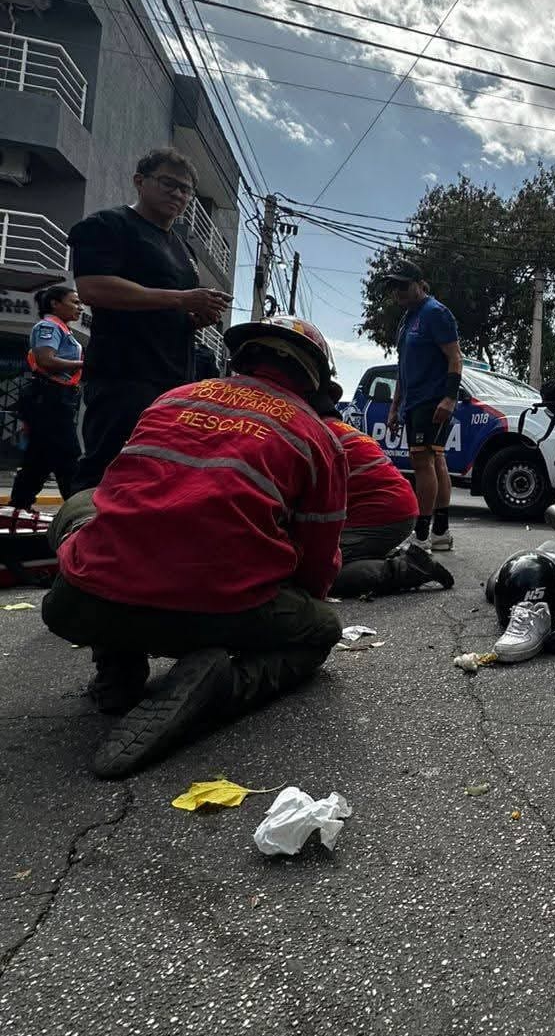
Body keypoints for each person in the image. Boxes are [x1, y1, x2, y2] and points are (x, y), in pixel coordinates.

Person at [41, 315, 348, 780]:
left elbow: (121, 495)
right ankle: (224, 685)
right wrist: (296, 601)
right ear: (314, 381)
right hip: (214, 613)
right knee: (321, 627)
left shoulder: (171, 399)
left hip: (76, 604)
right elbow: (318, 560)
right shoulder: (315, 436)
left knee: (85, 504)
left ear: (240, 359)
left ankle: (117, 672)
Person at [68, 148, 231, 492]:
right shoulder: (109, 225)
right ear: (140, 182)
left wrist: (196, 316)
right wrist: (181, 299)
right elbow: (92, 287)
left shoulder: (183, 250)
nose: (178, 194)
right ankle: (81, 541)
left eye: (185, 189)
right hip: (123, 377)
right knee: (108, 470)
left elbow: (174, 312)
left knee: (158, 478)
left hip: (172, 380)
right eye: (168, 183)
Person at [308, 383, 452, 597]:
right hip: (395, 510)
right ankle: (382, 555)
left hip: (383, 517)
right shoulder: (342, 429)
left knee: (313, 572)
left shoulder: (314, 434)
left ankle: (405, 569)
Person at [384, 261, 462, 552]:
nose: (398, 292)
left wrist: (450, 398)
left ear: (419, 283)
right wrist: (394, 406)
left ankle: (421, 535)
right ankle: (440, 533)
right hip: (413, 401)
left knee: (423, 462)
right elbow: (403, 368)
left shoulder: (435, 313)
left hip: (432, 400)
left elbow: (455, 357)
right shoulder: (407, 320)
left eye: (403, 285)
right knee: (435, 460)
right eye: (393, 287)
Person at [10, 284, 84, 510]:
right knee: (68, 454)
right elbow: (46, 360)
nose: (80, 308)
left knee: (40, 458)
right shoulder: (48, 326)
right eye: (74, 302)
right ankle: (78, 511)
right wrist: (85, 365)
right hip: (48, 398)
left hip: (55, 398)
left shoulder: (62, 329)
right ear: (55, 303)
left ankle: (19, 506)